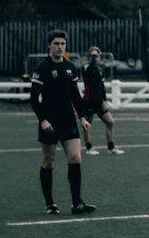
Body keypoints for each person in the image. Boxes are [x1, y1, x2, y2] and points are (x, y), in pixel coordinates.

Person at [30, 29, 95, 216]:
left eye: (63, 44)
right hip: (49, 121)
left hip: (68, 120)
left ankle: (77, 203)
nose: (60, 47)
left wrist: (82, 117)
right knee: (48, 162)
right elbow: (34, 98)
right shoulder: (41, 68)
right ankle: (50, 204)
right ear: (49, 45)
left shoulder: (70, 67)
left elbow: (75, 95)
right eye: (56, 43)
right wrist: (42, 120)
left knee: (75, 158)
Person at [81, 47, 123, 155]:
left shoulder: (100, 70)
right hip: (89, 101)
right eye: (93, 56)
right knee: (87, 125)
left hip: (99, 102)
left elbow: (101, 87)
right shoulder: (86, 68)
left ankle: (111, 147)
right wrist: (93, 57)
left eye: (97, 55)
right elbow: (92, 67)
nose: (95, 58)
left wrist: (104, 101)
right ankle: (89, 148)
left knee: (110, 122)